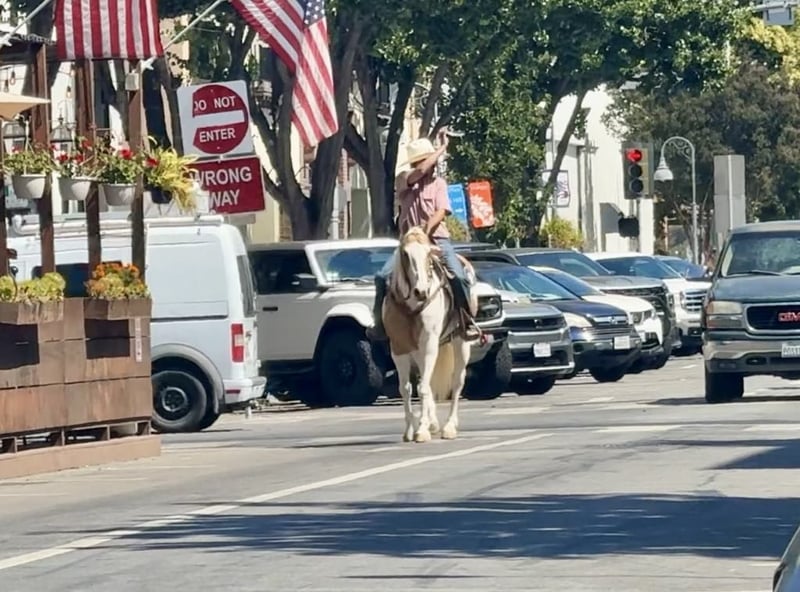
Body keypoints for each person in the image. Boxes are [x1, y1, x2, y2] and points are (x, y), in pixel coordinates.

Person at [367, 129, 480, 342]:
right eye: (429, 160)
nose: (433, 165)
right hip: (409, 243)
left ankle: (466, 321)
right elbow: (420, 171)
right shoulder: (403, 179)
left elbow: (442, 210)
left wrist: (427, 229)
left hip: (437, 240)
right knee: (382, 276)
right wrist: (442, 148)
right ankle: (379, 324)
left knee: (459, 276)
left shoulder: (439, 184)